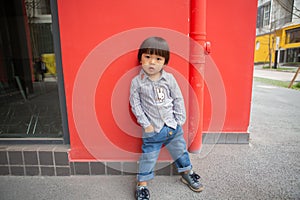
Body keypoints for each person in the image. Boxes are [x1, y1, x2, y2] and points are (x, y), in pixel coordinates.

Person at [130, 37, 204, 200]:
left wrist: (179, 121)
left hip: (172, 127)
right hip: (152, 130)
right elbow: (135, 105)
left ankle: (187, 173)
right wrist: (146, 124)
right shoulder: (137, 82)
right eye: (147, 57)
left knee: (181, 152)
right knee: (148, 158)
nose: (152, 63)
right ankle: (142, 184)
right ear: (140, 58)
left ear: (164, 62)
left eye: (158, 59)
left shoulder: (169, 79)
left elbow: (177, 98)